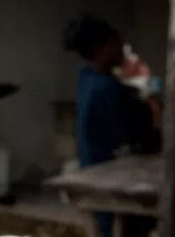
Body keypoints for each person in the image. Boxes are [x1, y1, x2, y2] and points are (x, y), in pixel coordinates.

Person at [63, 15, 156, 237]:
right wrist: (147, 88)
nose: (122, 49)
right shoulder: (108, 90)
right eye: (117, 43)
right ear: (102, 49)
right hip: (113, 180)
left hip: (93, 171)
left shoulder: (86, 77)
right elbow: (147, 122)